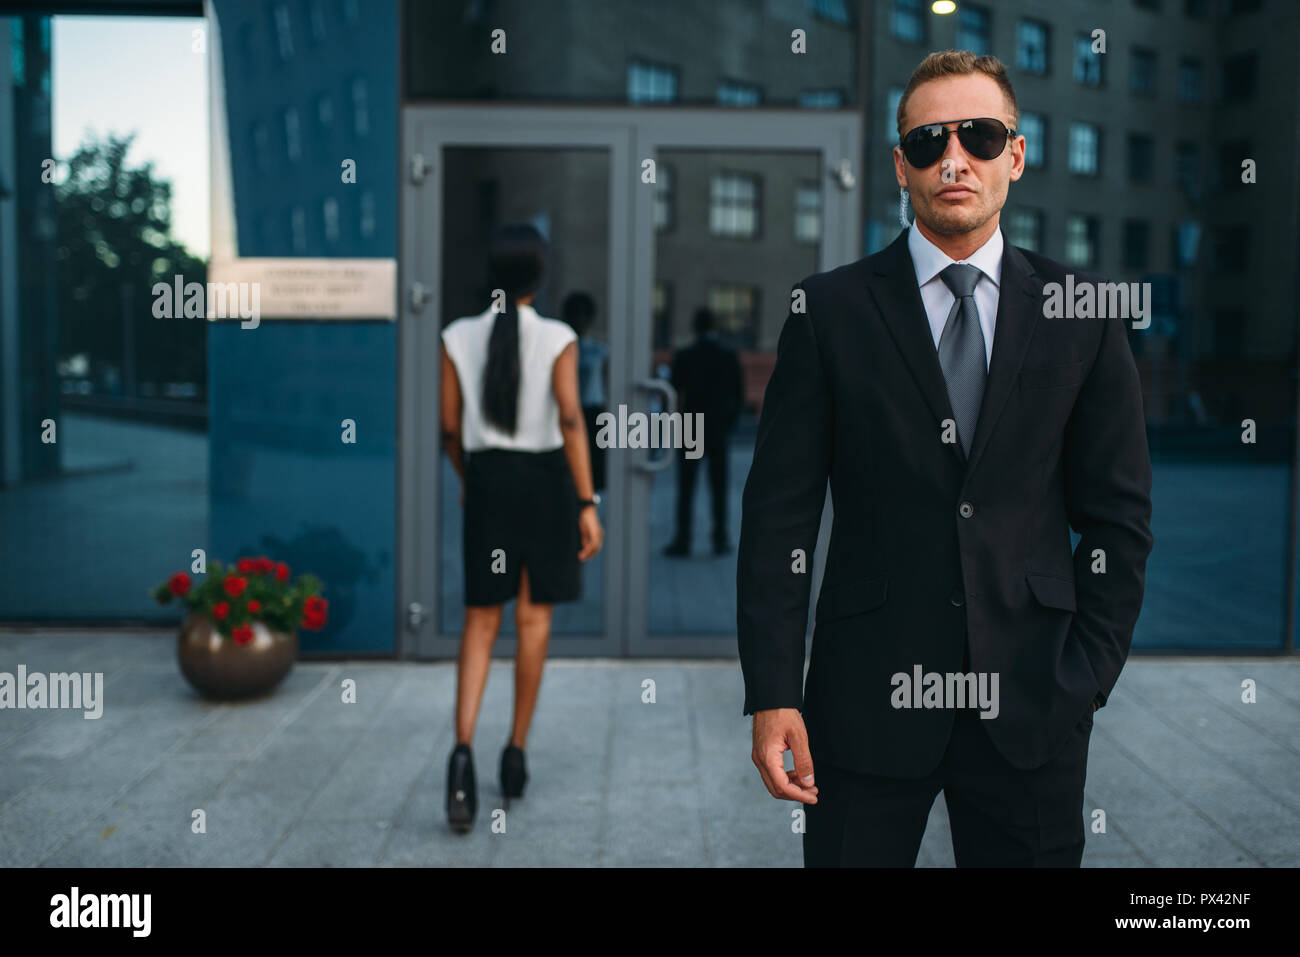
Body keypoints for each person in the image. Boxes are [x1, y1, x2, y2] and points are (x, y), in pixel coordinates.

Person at [736, 51, 1154, 866]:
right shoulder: (827, 313)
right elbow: (778, 515)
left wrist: (1087, 678)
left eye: (980, 136)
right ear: (900, 165)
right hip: (864, 702)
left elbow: (1119, 518)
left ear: (1018, 154)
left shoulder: (1086, 315)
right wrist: (774, 691)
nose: (953, 159)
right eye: (927, 141)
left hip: (1036, 702)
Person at [439, 223, 604, 833]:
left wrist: (468, 477)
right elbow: (568, 420)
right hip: (546, 487)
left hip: (489, 484)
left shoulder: (455, 335)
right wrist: (587, 501)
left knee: (481, 621)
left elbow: (450, 430)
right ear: (540, 276)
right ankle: (514, 754)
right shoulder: (558, 337)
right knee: (533, 621)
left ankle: (461, 754)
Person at [664, 307, 745, 556]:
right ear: (714, 327)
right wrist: (728, 423)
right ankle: (720, 538)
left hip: (692, 424)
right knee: (719, 486)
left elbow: (672, 391)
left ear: (694, 327)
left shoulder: (685, 355)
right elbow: (738, 394)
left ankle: (683, 540)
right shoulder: (728, 355)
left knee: (686, 487)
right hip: (717, 425)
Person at [560, 291, 609, 493]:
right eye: (574, 315)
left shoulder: (599, 350)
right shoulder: (560, 348)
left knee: (593, 467)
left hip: (592, 411)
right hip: (568, 409)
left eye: (582, 316)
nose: (578, 321)